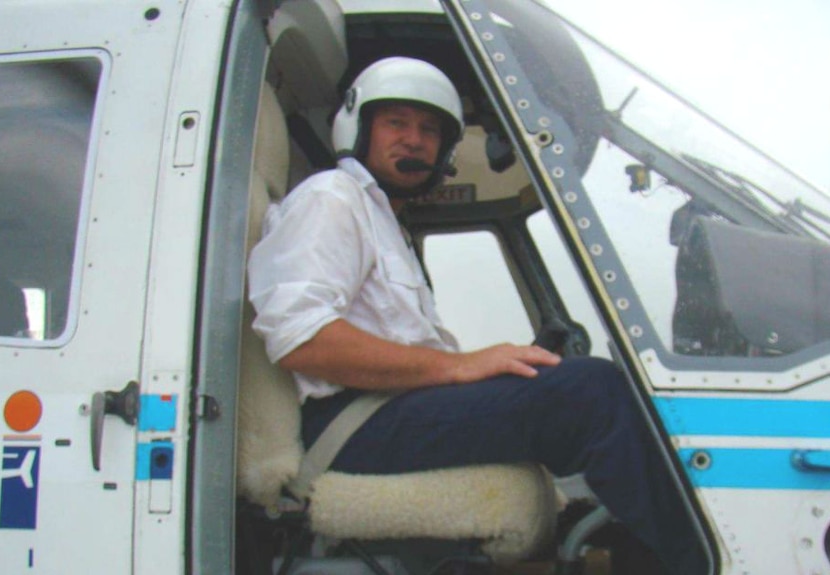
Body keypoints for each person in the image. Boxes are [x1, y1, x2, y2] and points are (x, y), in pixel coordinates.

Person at [248, 56, 706, 574]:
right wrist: (457, 367)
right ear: (360, 127)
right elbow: (302, 340)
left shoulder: (383, 222)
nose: (414, 140)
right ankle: (702, 561)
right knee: (592, 393)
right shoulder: (331, 198)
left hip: (388, 413)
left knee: (574, 384)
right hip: (353, 425)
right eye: (396, 122)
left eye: (428, 131)